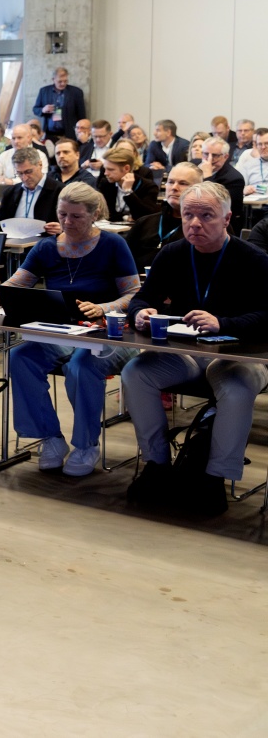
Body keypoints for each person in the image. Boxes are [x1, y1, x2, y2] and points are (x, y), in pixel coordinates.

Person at [0, 182, 141, 477]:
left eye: (76, 216)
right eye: (63, 215)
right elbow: (18, 282)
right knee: (20, 358)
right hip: (62, 333)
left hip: (108, 333)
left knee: (82, 366)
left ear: (95, 214)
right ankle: (50, 438)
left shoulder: (113, 244)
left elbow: (133, 295)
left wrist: (104, 307)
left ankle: (86, 444)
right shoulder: (47, 248)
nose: (67, 222)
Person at [123, 182, 268, 517]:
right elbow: (145, 297)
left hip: (241, 355)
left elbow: (267, 315)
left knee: (236, 388)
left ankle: (214, 477)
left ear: (227, 218)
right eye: (188, 215)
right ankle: (156, 463)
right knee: (136, 373)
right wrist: (139, 312)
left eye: (206, 216)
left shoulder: (253, 258)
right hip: (188, 353)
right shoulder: (173, 253)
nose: (195, 224)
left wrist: (225, 323)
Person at [125, 161, 201, 268]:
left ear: (198, 189)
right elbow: (122, 262)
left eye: (183, 183)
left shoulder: (203, 227)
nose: (174, 188)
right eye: (170, 182)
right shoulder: (144, 223)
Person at [0, 147, 60, 234]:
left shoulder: (58, 191)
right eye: (19, 173)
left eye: (28, 172)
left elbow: (67, 224)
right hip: (13, 242)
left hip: (44, 242)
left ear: (40, 165)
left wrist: (62, 229)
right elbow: (2, 223)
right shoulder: (10, 192)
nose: (24, 178)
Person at [94, 141, 158, 222]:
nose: (106, 173)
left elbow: (145, 216)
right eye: (105, 168)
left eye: (111, 169)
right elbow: (103, 214)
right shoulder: (106, 184)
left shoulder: (148, 186)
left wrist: (128, 192)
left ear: (126, 168)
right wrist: (125, 218)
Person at [32, 66, 86, 141]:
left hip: (69, 134)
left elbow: (81, 115)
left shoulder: (76, 92)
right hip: (49, 134)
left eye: (65, 81)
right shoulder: (44, 91)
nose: (63, 84)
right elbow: (35, 109)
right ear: (53, 79)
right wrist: (43, 110)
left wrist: (81, 132)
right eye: (60, 81)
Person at [198, 137, 245, 218]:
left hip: (220, 221)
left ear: (226, 156)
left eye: (215, 155)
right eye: (206, 154)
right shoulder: (195, 167)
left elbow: (217, 205)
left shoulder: (235, 179)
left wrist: (207, 176)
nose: (209, 159)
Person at [0, 124, 38, 189]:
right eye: (13, 138)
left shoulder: (39, 155)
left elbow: (36, 179)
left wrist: (11, 182)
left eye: (19, 138)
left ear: (28, 138)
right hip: (4, 191)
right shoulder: (4, 155)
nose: (16, 141)